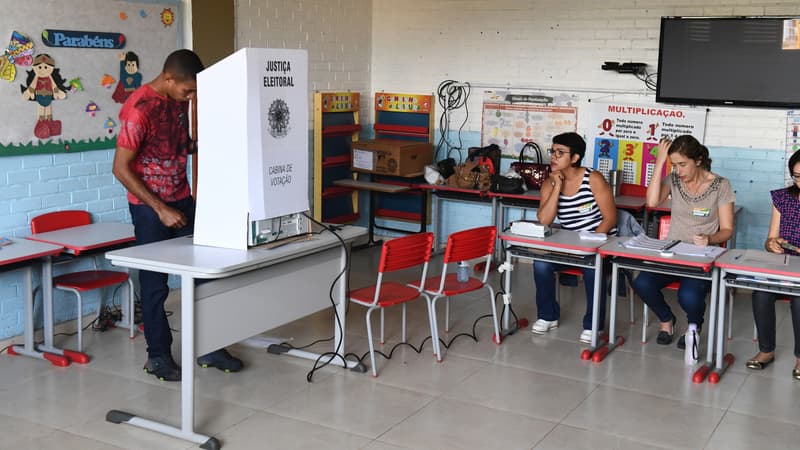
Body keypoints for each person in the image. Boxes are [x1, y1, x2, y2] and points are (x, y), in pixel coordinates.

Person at [113, 49, 242, 381]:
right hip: (150, 210)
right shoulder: (138, 109)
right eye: (188, 90)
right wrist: (160, 208)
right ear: (169, 78)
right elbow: (120, 168)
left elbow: (176, 145)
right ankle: (157, 356)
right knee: (156, 286)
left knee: (206, 274)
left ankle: (210, 347)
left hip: (182, 200)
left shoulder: (178, 100)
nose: (192, 96)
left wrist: (212, 142)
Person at [633, 135, 735, 348]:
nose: (678, 170)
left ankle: (694, 326)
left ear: (697, 160)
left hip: (701, 256)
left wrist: (710, 238)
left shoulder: (720, 185)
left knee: (687, 294)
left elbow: (727, 230)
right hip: (673, 252)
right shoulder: (674, 180)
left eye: (682, 164)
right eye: (674, 165)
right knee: (642, 282)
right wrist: (659, 162)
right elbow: (651, 202)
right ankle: (666, 319)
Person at [531, 132, 618, 343]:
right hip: (569, 246)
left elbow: (610, 218)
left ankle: (593, 325)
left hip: (599, 244)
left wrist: (590, 245)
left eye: (560, 153)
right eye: (553, 151)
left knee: (592, 270)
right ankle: (547, 315)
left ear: (575, 158)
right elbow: (544, 221)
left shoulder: (593, 178)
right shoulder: (549, 183)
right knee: (541, 263)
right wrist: (557, 187)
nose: (553, 156)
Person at [745, 149, 800, 380]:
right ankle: (766, 350)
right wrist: (773, 244)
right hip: (783, 263)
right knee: (761, 294)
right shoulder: (782, 198)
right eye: (797, 176)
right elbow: (769, 240)